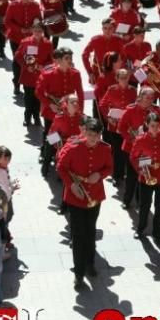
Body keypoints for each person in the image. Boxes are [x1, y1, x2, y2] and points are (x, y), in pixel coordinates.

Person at [57, 118, 112, 291]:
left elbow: (109, 168)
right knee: (79, 236)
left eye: (95, 136)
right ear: (84, 133)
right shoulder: (73, 147)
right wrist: (71, 185)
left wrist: (100, 175)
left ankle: (90, 263)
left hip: (94, 195)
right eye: (89, 135)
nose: (92, 139)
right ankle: (79, 273)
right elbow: (61, 167)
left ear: (99, 135)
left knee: (90, 231)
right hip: (76, 196)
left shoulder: (105, 148)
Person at [130, 112, 160, 241]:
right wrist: (140, 170)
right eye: (152, 125)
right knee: (145, 205)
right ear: (146, 125)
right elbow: (133, 157)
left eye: (157, 125)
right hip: (146, 175)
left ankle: (157, 233)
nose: (155, 128)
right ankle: (141, 229)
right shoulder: (140, 139)